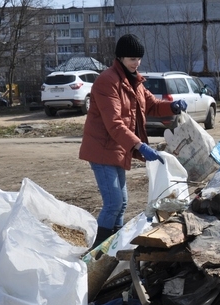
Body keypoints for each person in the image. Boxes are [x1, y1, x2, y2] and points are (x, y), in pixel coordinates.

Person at [79, 33, 187, 247]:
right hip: (102, 149)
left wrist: (172, 107)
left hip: (118, 148)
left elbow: (152, 105)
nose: (136, 63)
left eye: (138, 59)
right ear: (119, 58)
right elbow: (114, 123)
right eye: (131, 59)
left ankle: (114, 244)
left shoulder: (135, 81)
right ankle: (97, 252)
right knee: (113, 203)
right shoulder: (107, 82)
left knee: (122, 202)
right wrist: (139, 145)